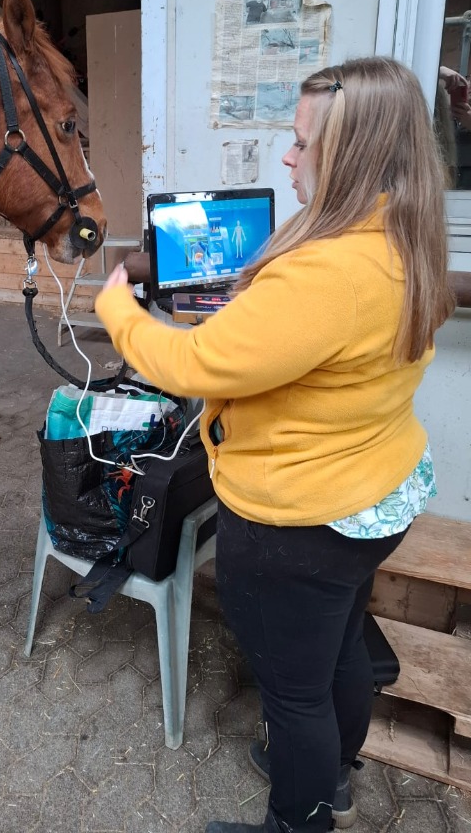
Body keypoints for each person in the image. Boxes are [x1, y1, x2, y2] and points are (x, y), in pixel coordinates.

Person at [94, 57, 455, 833]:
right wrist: (236, 318)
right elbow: (290, 346)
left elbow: (188, 366)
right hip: (374, 497)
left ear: (350, 154)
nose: (286, 158)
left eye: (299, 143)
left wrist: (118, 308)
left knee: (294, 696)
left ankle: (301, 820)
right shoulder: (405, 234)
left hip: (299, 524)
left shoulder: (327, 273)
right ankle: (338, 780)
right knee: (341, 653)